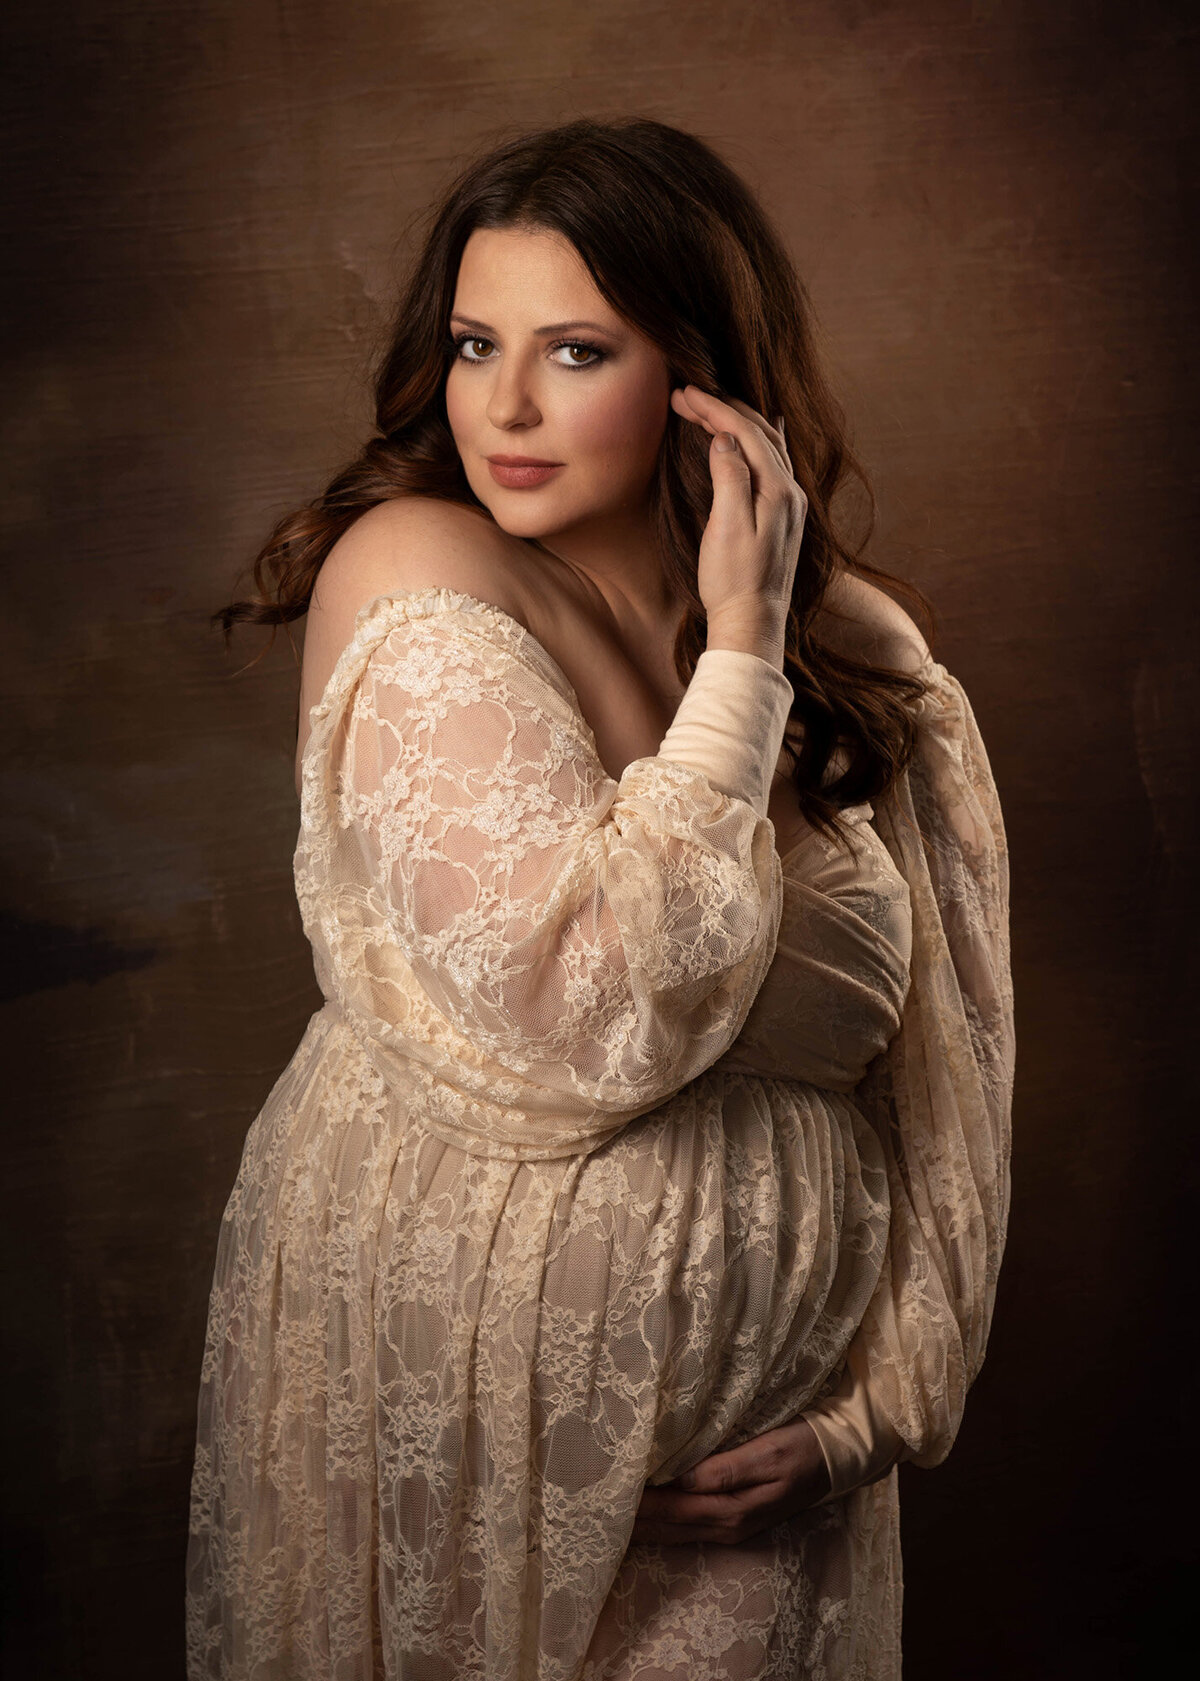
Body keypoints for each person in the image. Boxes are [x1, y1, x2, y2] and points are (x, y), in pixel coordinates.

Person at [186, 117, 1014, 1679]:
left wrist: (871, 1417)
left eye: (575, 350)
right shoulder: (421, 562)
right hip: (458, 1428)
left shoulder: (866, 654)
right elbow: (587, 1005)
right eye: (474, 344)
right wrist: (741, 669)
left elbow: (956, 1077)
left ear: (705, 377)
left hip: (767, 1476)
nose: (501, 404)